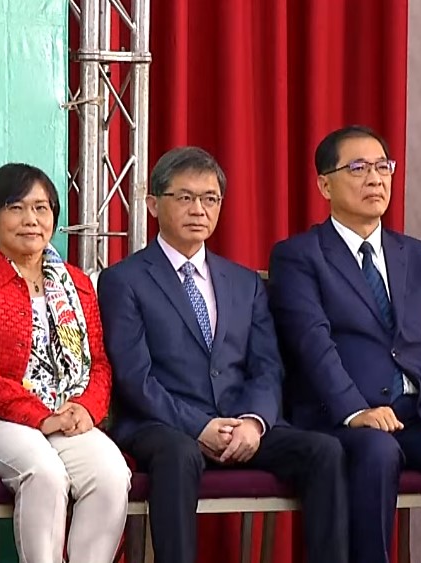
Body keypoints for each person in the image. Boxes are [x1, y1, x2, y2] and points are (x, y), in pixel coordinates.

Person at [269, 125, 421, 563]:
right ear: (324, 183)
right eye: (358, 168)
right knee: (377, 452)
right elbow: (312, 343)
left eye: (383, 167)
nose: (375, 179)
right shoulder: (299, 257)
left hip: (418, 416)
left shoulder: (420, 256)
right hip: (341, 419)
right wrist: (355, 410)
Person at [98, 146, 347, 563]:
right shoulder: (124, 280)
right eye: (185, 197)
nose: (199, 209)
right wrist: (200, 426)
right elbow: (133, 375)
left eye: (210, 198)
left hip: (239, 422)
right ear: (153, 204)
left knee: (325, 451)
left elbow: (267, 366)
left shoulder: (244, 282)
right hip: (164, 423)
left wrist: (252, 422)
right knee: (176, 454)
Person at [0, 163, 131, 563]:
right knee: (44, 473)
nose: (31, 219)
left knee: (112, 475)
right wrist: (40, 416)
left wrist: (86, 407)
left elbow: (99, 361)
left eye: (42, 208)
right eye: (16, 207)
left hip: (70, 415)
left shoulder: (78, 284)